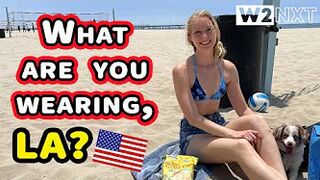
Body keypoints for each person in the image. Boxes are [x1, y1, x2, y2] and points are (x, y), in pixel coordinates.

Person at [172, 10, 287, 180]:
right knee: (241, 145)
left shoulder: (227, 68)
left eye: (209, 29)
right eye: (197, 32)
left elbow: (243, 110)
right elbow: (194, 118)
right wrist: (233, 134)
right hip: (194, 135)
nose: (204, 36)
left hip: (219, 124)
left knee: (257, 121)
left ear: (216, 31)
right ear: (190, 38)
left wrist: (263, 127)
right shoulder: (183, 70)